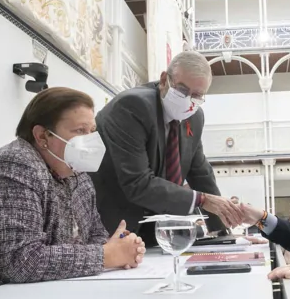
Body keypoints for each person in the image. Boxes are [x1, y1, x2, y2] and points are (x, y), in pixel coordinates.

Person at [0, 87, 146, 299]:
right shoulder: (10, 168)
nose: (90, 140)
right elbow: (21, 261)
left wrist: (117, 247)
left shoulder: (76, 173)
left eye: (92, 131)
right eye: (80, 131)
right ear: (43, 136)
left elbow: (95, 235)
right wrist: (107, 256)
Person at [91, 51, 243, 246]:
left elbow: (201, 173)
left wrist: (223, 229)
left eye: (197, 95)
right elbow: (137, 182)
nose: (188, 101)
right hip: (118, 224)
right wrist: (202, 200)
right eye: (182, 90)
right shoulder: (132, 106)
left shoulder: (194, 117)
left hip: (161, 230)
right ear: (164, 80)